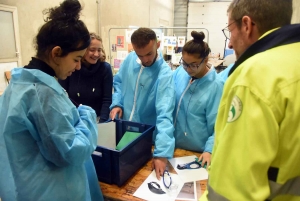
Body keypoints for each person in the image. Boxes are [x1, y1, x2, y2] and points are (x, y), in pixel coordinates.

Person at [0, 1, 103, 200]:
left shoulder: (19, 83)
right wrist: (87, 115)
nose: (79, 67)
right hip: (52, 190)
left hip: (24, 186)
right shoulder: (43, 94)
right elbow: (70, 152)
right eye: (76, 59)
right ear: (56, 53)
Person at [202, 0, 300, 200]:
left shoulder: (254, 76)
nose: (229, 43)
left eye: (230, 30)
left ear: (247, 25)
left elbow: (232, 190)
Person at [109, 27, 175, 179]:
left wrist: (162, 153)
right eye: (140, 55)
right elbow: (118, 82)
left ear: (157, 45)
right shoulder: (131, 59)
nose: (145, 59)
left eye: (149, 54)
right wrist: (117, 103)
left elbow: (165, 114)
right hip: (125, 132)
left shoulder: (164, 75)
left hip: (147, 139)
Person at [173, 31, 224, 167]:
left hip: (199, 153)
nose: (188, 69)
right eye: (185, 63)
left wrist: (209, 150)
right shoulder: (180, 73)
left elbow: (218, 125)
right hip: (175, 148)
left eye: (194, 65)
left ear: (206, 60)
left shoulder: (216, 86)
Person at [59, 33, 113, 123]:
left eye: (99, 50)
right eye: (92, 50)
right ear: (83, 50)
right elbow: (63, 96)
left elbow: (107, 99)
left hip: (98, 119)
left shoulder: (105, 69)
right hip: (74, 119)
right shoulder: (71, 67)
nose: (96, 54)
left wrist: (102, 123)